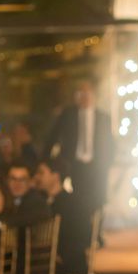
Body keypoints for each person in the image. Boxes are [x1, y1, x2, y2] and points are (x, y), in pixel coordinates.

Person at [44, 78, 114, 216]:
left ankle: (95, 232)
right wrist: (47, 161)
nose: (84, 97)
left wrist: (107, 163)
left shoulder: (104, 117)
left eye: (87, 93)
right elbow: (53, 137)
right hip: (73, 165)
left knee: (97, 201)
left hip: (96, 166)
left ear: (94, 95)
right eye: (81, 93)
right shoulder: (67, 114)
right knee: (75, 201)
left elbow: (110, 143)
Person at [34, 158, 91, 274]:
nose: (37, 177)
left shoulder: (72, 203)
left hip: (67, 262)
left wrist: (59, 255)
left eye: (41, 173)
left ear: (55, 176)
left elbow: (81, 234)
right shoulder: (43, 201)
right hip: (48, 259)